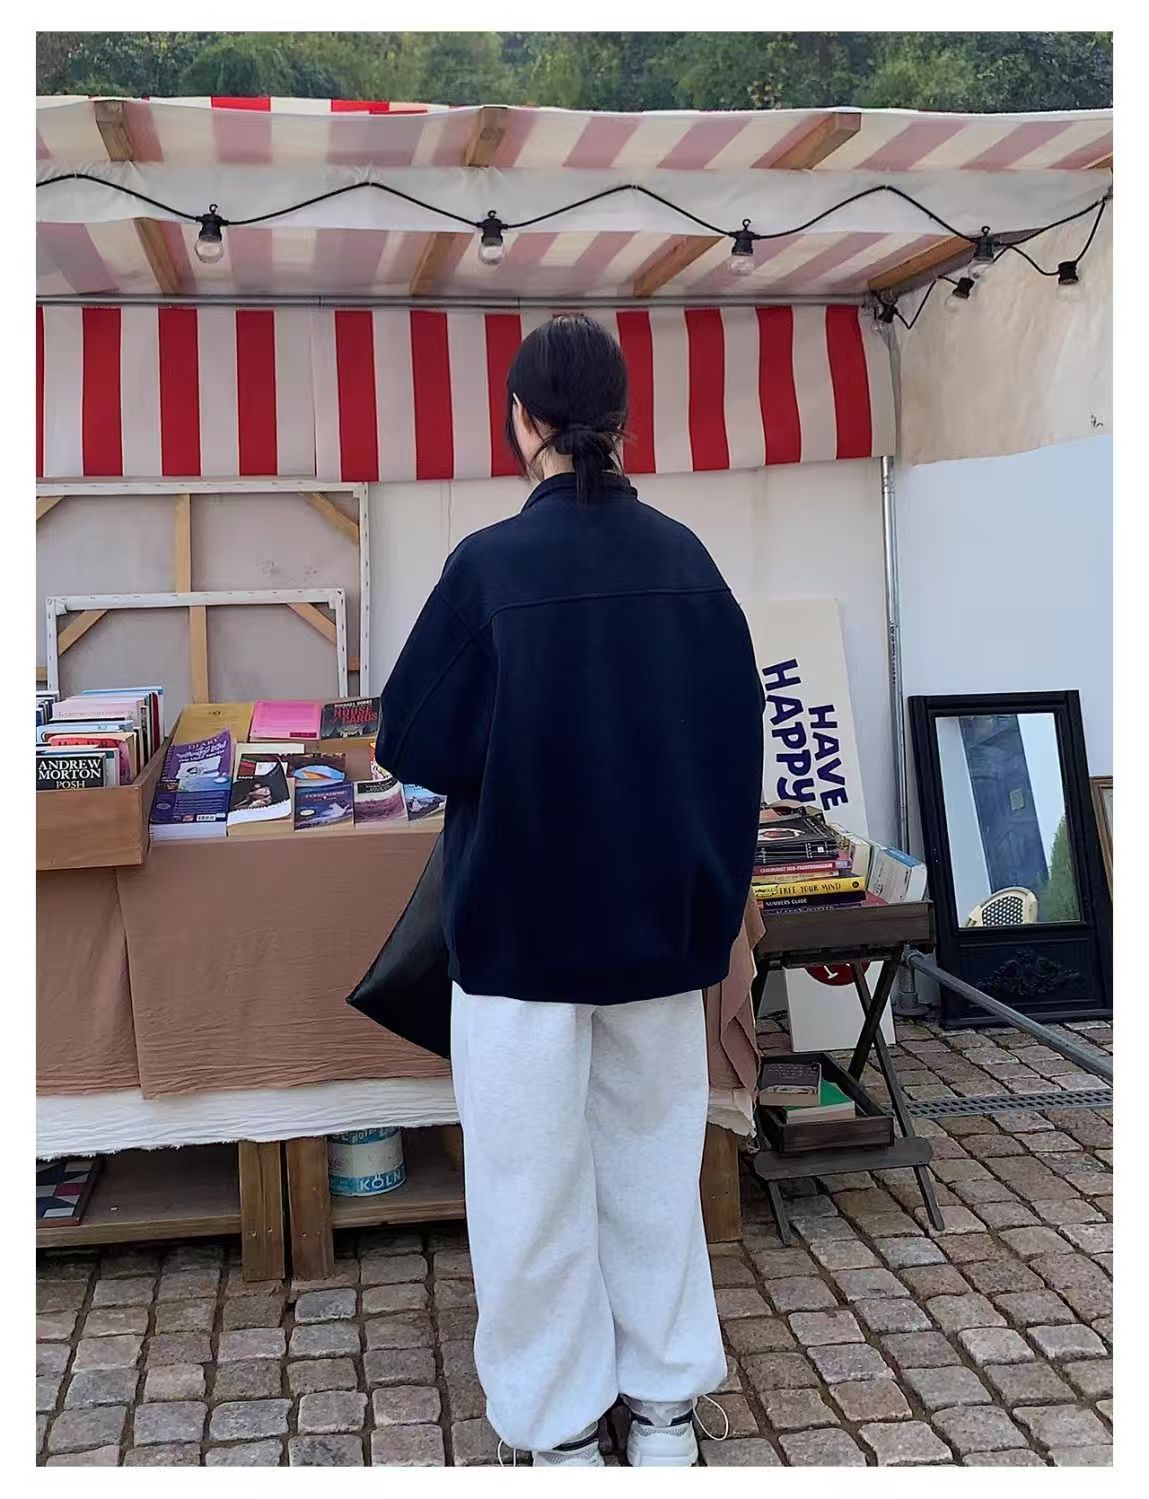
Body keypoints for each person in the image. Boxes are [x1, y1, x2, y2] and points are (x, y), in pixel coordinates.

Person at [377, 314, 764, 1468]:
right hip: (660, 930)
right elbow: (736, 743)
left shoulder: (488, 566)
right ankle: (665, 1412)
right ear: (626, 419)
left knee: (529, 1191)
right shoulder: (688, 559)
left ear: (520, 420)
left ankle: (557, 1439)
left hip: (520, 938)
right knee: (653, 1171)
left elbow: (411, 736)